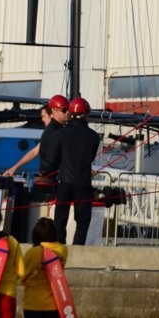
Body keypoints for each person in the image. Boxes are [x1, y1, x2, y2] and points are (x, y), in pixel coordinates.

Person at [47, 96, 99, 245]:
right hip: (83, 182)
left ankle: (59, 247)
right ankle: (77, 249)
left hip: (64, 180)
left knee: (60, 218)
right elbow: (90, 157)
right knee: (82, 219)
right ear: (86, 114)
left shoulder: (60, 134)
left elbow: (52, 159)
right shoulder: (93, 137)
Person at [20, 217, 68, 318]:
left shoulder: (34, 253)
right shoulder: (62, 250)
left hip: (33, 304)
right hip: (54, 303)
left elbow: (22, 276)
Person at [2, 101, 60, 178]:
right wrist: (14, 167)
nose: (42, 119)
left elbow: (35, 152)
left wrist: (14, 167)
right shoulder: (50, 133)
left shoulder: (54, 132)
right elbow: (35, 151)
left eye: (44, 116)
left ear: (52, 115)